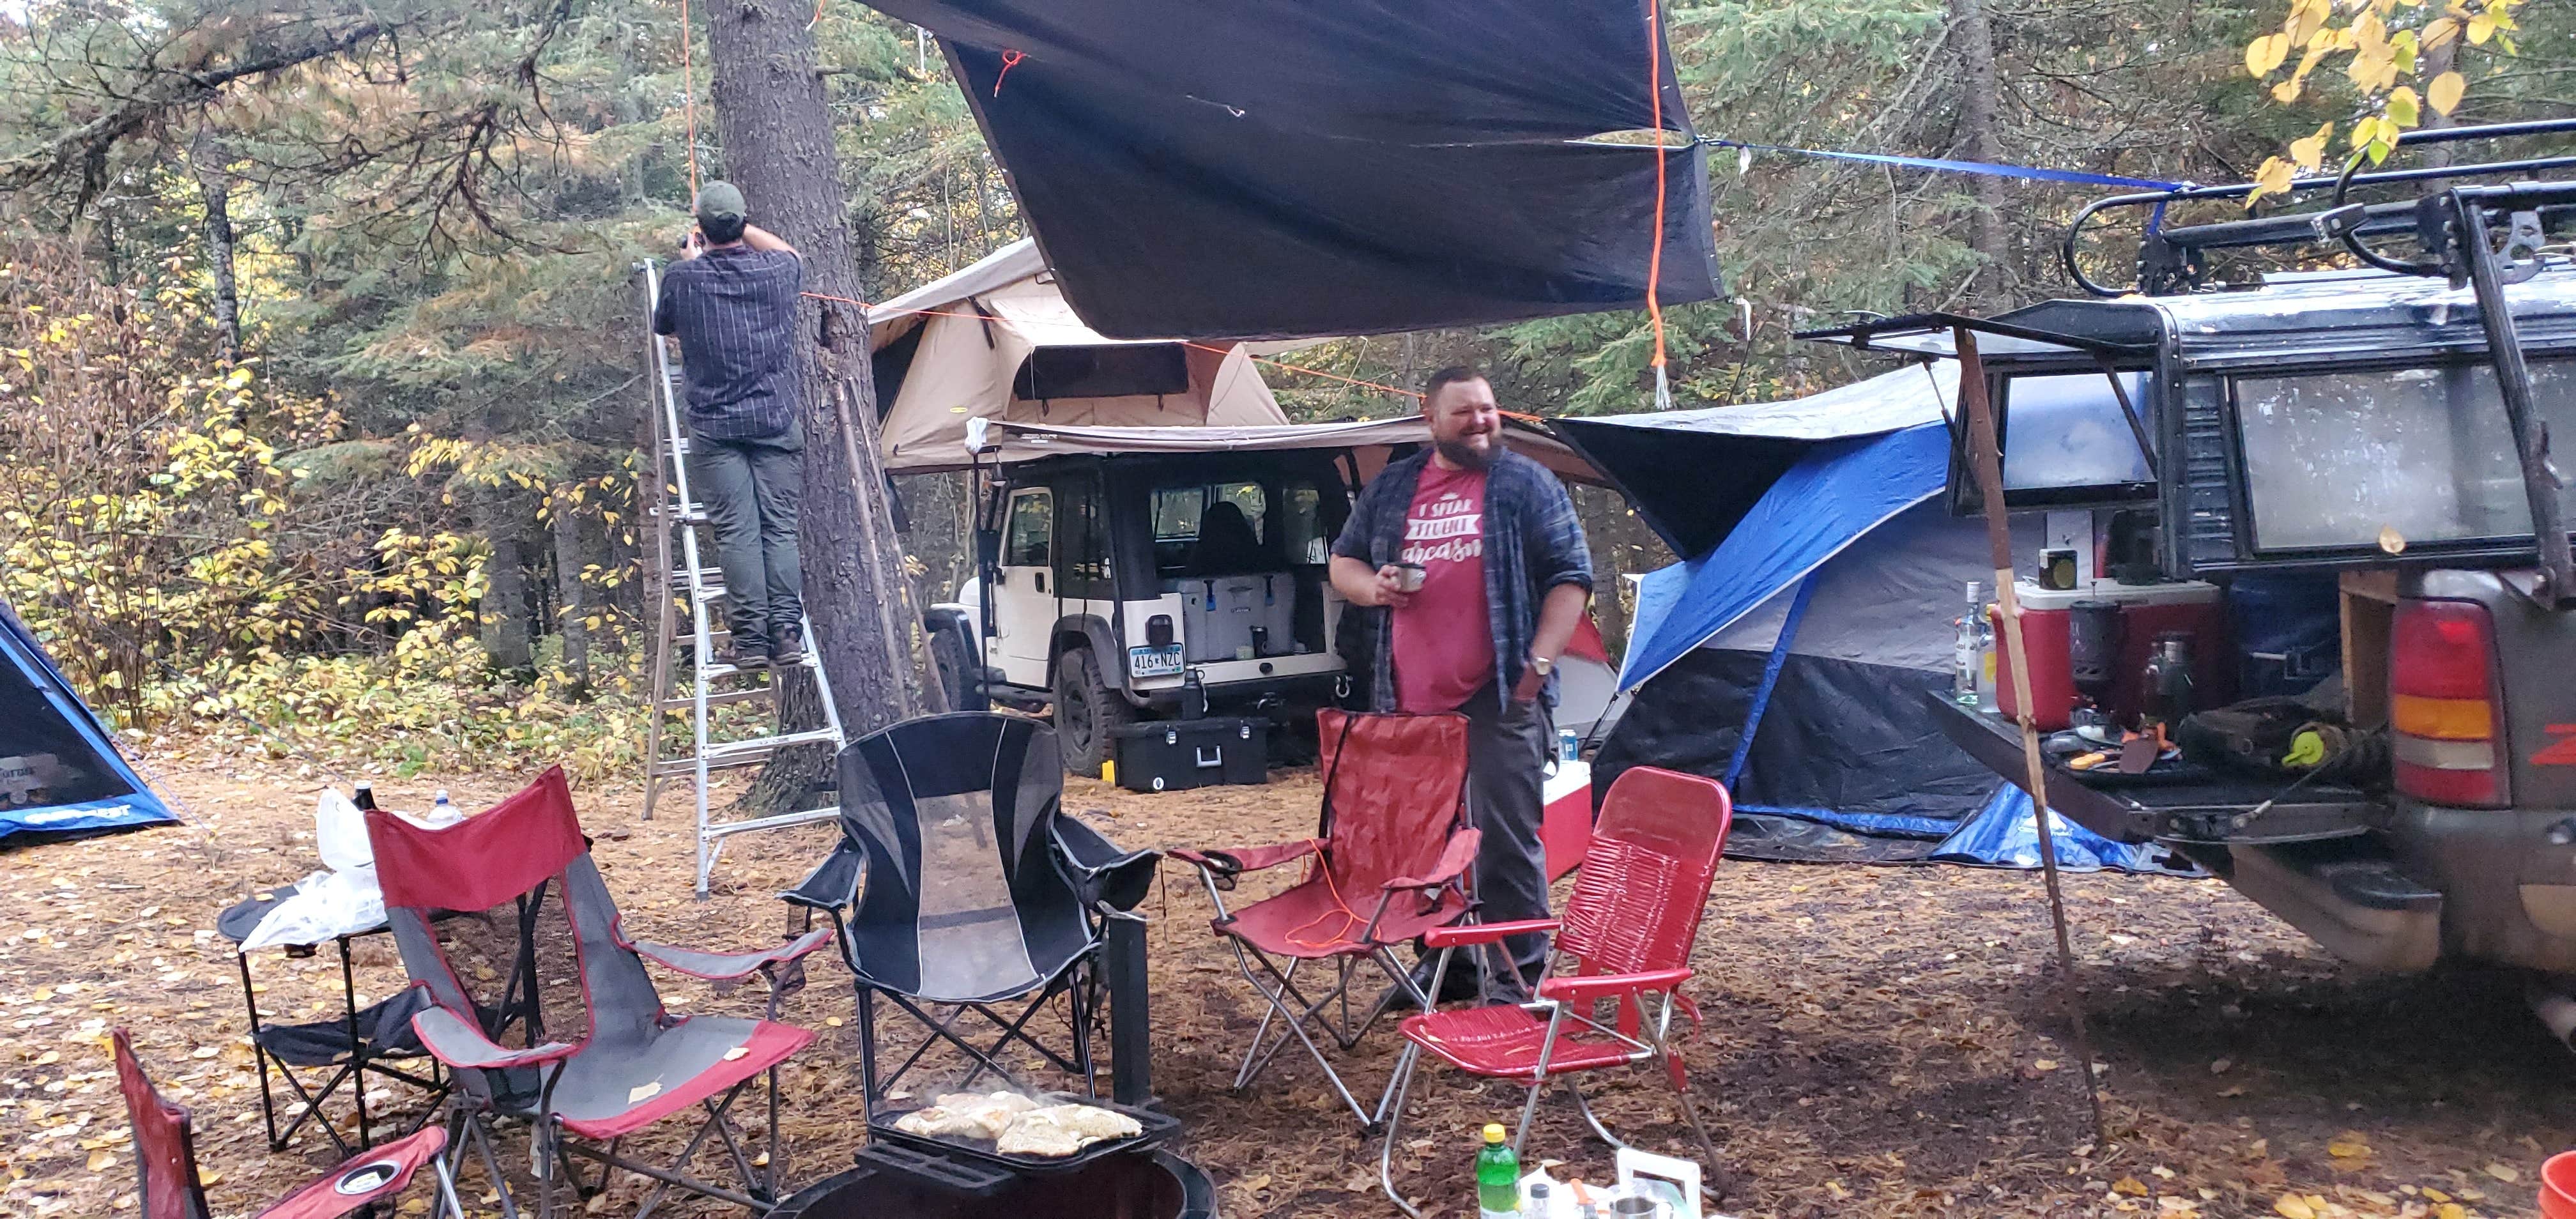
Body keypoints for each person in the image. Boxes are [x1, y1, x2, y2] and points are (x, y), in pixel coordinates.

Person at [1329, 365, 1592, 999]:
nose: (1480, 421)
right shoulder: (1395, 486)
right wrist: (1373, 588)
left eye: (1487, 409)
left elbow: (1571, 576)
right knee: (1426, 844)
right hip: (1409, 704)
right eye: (1464, 412)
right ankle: (1448, 964)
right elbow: (1343, 560)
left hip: (1498, 697)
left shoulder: (1525, 482)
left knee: (1504, 845)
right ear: (1430, 417)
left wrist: (1536, 668)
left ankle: (1518, 977)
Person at [653, 181, 807, 670]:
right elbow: (789, 253)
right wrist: (733, 226)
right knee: (778, 530)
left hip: (716, 428)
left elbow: (666, 325)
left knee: (738, 532)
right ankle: (786, 635)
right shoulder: (777, 271)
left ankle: (751, 642)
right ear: (742, 223)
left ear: (701, 228)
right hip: (774, 421)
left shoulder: (683, 278)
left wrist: (694, 256)